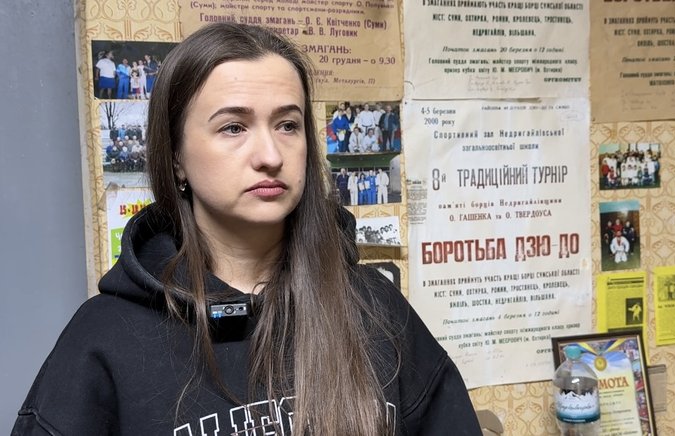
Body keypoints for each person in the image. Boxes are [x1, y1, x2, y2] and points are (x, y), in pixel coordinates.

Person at [13, 23, 479, 436]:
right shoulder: (105, 338)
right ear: (176, 157)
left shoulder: (375, 308)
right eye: (234, 127)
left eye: (288, 125)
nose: (271, 156)